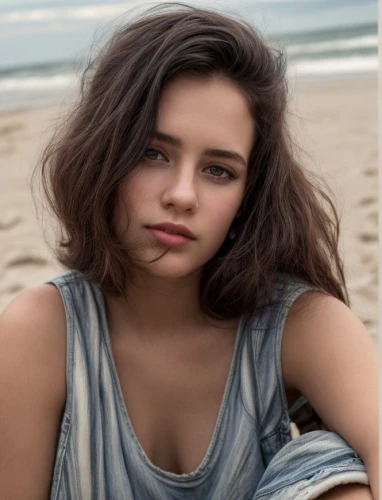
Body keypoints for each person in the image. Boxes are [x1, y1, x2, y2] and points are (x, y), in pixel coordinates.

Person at [0, 3, 378, 499]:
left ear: (248, 198)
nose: (182, 194)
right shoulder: (41, 333)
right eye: (152, 153)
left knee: (332, 472)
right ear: (104, 154)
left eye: (218, 170)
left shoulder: (300, 325)